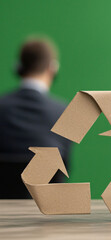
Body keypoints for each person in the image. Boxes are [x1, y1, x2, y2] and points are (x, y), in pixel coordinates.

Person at [0, 37, 71, 198]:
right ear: (53, 68)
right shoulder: (65, 112)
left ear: (17, 68)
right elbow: (65, 169)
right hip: (46, 211)